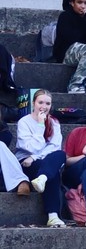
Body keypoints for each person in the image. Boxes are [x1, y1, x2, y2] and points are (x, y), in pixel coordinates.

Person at [14, 90, 67, 227]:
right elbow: (30, 148)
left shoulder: (54, 123)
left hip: (40, 160)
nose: (44, 106)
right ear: (33, 103)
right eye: (40, 102)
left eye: (48, 103)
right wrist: (40, 125)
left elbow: (54, 147)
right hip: (26, 163)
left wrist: (35, 156)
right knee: (52, 171)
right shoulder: (24, 122)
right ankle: (53, 215)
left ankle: (42, 178)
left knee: (60, 154)